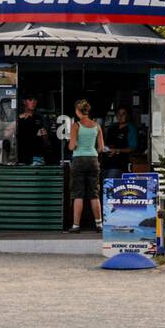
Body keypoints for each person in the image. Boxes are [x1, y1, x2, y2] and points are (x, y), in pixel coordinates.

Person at [66, 99, 107, 233]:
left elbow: (72, 146)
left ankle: (76, 226)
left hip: (79, 160)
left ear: (78, 111)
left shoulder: (76, 126)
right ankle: (99, 224)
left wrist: (74, 143)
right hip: (93, 160)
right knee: (94, 194)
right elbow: (101, 148)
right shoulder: (97, 126)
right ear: (87, 111)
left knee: (78, 194)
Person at [103, 105, 139, 178]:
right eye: (118, 114)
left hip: (119, 164)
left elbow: (133, 147)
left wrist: (117, 151)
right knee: (104, 185)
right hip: (106, 163)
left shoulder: (130, 128)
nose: (120, 116)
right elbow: (106, 142)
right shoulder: (112, 127)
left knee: (110, 185)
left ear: (128, 115)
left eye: (123, 114)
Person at [15, 94, 48, 165]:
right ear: (24, 102)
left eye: (35, 100)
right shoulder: (18, 118)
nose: (33, 102)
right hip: (22, 155)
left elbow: (45, 138)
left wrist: (44, 136)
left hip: (36, 156)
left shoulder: (39, 118)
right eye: (30, 100)